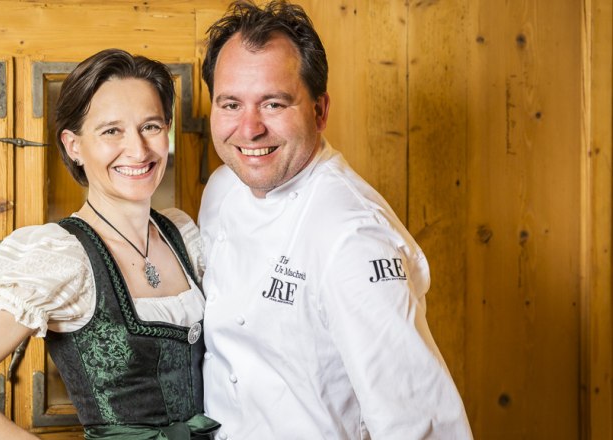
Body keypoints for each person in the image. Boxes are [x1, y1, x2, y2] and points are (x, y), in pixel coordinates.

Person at [0, 49, 219, 440]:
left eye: (151, 126)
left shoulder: (181, 235)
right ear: (73, 145)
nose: (138, 150)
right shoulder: (63, 257)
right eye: (111, 131)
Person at [198, 1, 473, 439]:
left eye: (273, 103)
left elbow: (420, 422)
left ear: (319, 111)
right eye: (231, 104)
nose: (248, 130)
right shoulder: (221, 189)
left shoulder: (353, 237)